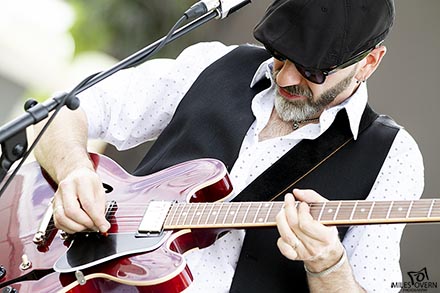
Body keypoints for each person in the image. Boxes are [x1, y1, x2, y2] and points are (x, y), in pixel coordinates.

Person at [34, 0, 424, 292]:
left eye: (312, 71)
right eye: (281, 54)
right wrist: (74, 171)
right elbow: (67, 109)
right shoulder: (211, 64)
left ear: (369, 62)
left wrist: (327, 264)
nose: (286, 76)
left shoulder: (393, 156)